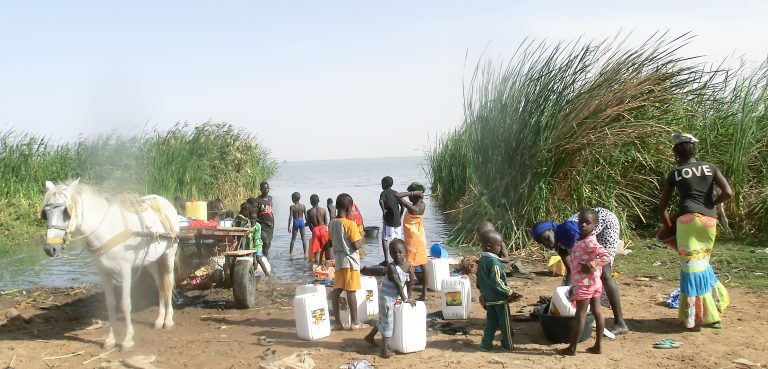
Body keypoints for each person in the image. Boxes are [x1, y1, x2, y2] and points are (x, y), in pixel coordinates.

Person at [657, 133, 732, 330]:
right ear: (694, 152)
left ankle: (697, 317)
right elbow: (728, 193)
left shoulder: (676, 173)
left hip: (687, 222)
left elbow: (661, 208)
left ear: (676, 155)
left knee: (691, 268)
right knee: (702, 263)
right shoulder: (710, 167)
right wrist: (711, 205)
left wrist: (669, 228)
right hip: (709, 221)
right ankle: (715, 307)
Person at [531, 206, 629, 335]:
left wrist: (591, 266)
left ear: (552, 229)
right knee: (584, 276)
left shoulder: (569, 230)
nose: (546, 244)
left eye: (546, 238)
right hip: (589, 229)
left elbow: (590, 250)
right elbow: (571, 271)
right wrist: (562, 298)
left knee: (604, 274)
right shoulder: (559, 243)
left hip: (606, 222)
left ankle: (620, 323)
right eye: (542, 243)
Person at [558, 209, 611, 356]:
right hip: (594, 283)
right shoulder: (582, 239)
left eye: (587, 223)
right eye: (581, 221)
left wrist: (592, 265)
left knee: (580, 315)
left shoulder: (590, 242)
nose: (583, 225)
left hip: (585, 284)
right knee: (597, 312)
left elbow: (606, 256)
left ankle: (572, 348)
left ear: (594, 225)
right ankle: (598, 345)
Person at [364, 238, 416, 358]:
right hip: (386, 297)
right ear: (390, 254)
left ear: (405, 252)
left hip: (396, 295)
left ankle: (369, 337)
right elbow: (398, 283)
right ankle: (384, 349)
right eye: (393, 253)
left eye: (400, 252)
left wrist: (409, 295)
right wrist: (405, 299)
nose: (397, 255)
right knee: (388, 321)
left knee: (384, 318)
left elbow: (409, 280)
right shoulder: (391, 267)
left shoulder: (408, 265)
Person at [477, 230, 517, 351]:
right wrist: (509, 292)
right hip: (499, 299)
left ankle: (486, 344)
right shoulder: (494, 262)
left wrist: (483, 294)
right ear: (489, 246)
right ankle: (507, 345)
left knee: (491, 323)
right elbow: (498, 281)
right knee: (505, 323)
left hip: (488, 299)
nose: (501, 248)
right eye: (499, 245)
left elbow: (479, 282)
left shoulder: (482, 261)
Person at [329, 193, 365, 330]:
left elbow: (330, 242)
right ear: (350, 207)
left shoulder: (332, 222)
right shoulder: (350, 224)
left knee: (337, 290)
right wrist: (362, 236)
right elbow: (356, 245)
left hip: (339, 261)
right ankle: (355, 322)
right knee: (351, 291)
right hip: (350, 261)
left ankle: (337, 322)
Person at [397, 183, 428, 301]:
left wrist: (411, 193)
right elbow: (400, 199)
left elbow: (397, 195)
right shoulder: (420, 204)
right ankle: (424, 293)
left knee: (411, 267)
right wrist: (412, 194)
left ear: (416, 194)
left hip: (413, 241)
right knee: (423, 264)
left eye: (411, 193)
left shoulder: (414, 208)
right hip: (420, 237)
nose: (409, 197)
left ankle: (409, 294)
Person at [379, 176, 403, 265]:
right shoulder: (396, 193)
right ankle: (399, 259)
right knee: (397, 240)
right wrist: (399, 215)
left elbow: (381, 201)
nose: (381, 185)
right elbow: (402, 206)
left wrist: (383, 210)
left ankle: (386, 260)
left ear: (385, 184)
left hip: (388, 220)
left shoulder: (384, 193)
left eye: (382, 183)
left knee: (385, 239)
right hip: (397, 221)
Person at [241, 203, 270, 277]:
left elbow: (255, 238)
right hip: (248, 244)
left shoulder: (258, 226)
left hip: (257, 244)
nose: (253, 220)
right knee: (250, 259)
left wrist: (252, 251)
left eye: (254, 219)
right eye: (251, 219)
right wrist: (243, 249)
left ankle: (267, 274)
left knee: (258, 259)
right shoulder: (245, 225)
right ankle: (252, 273)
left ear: (256, 217)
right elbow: (243, 237)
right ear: (248, 218)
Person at [252, 182, 274, 257]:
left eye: (267, 188)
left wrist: (273, 223)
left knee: (268, 244)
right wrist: (264, 222)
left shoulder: (270, 198)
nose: (266, 190)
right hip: (262, 226)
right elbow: (254, 216)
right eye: (264, 188)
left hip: (270, 226)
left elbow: (271, 212)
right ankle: (264, 259)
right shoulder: (257, 200)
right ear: (260, 189)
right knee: (266, 242)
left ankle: (265, 258)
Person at [307, 194, 329, 269]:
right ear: (319, 201)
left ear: (310, 202)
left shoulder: (309, 211)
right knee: (327, 248)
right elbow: (326, 223)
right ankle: (327, 267)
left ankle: (317, 267)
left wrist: (313, 231)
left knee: (317, 251)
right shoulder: (323, 210)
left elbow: (309, 224)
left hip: (315, 229)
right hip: (323, 228)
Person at [288, 192, 308, 257]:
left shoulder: (292, 207)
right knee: (303, 238)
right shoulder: (303, 206)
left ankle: (290, 253)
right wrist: (307, 223)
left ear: (293, 199)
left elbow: (290, 217)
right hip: (302, 222)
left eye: (292, 198)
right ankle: (305, 253)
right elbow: (306, 216)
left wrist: (289, 226)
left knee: (293, 239)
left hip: (295, 222)